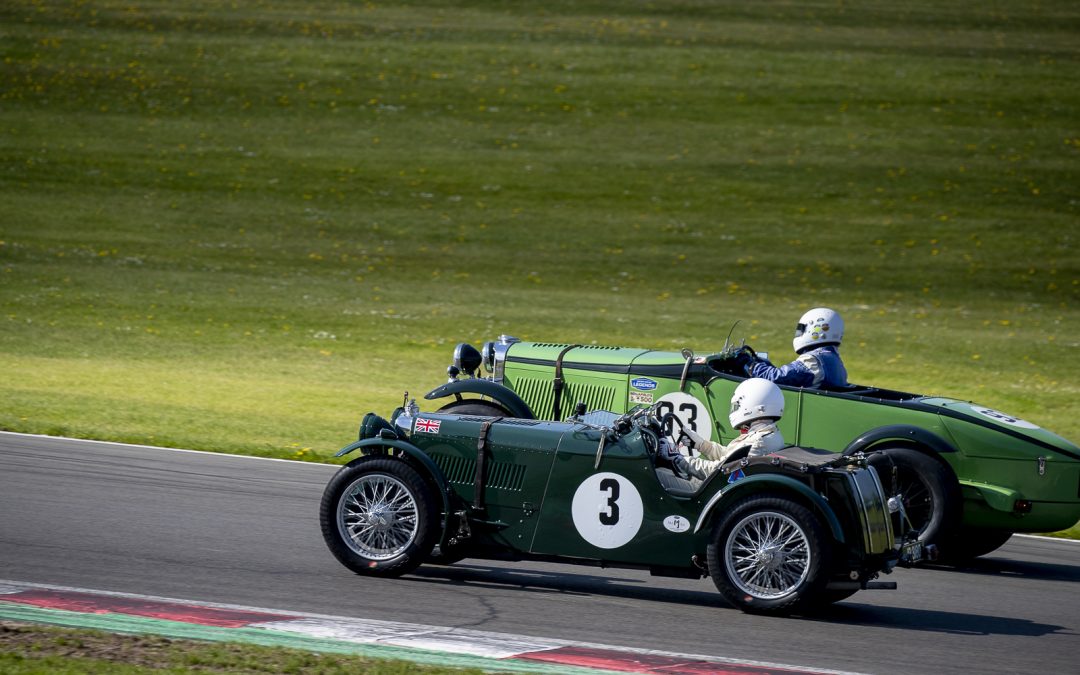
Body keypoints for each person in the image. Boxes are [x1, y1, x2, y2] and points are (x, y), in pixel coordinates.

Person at [659, 378, 785, 482]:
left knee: (658, 476)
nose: (735, 409)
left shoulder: (758, 443)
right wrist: (701, 444)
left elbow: (715, 470)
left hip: (718, 488)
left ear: (754, 406)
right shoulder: (769, 434)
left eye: (737, 406)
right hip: (724, 486)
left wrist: (677, 458)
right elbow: (730, 458)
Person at [745, 307, 848, 389]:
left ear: (816, 330)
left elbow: (776, 377)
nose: (799, 333)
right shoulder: (834, 359)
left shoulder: (813, 361)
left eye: (801, 329)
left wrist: (749, 365)